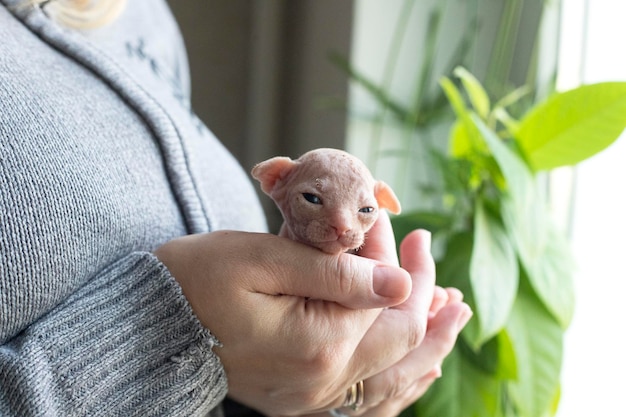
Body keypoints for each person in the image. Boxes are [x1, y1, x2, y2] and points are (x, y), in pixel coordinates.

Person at [0, 1, 472, 416]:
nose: (345, 226)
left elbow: (250, 387)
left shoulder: (135, 13)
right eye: (312, 199)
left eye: (367, 212)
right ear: (276, 181)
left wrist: (324, 392)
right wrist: (175, 332)